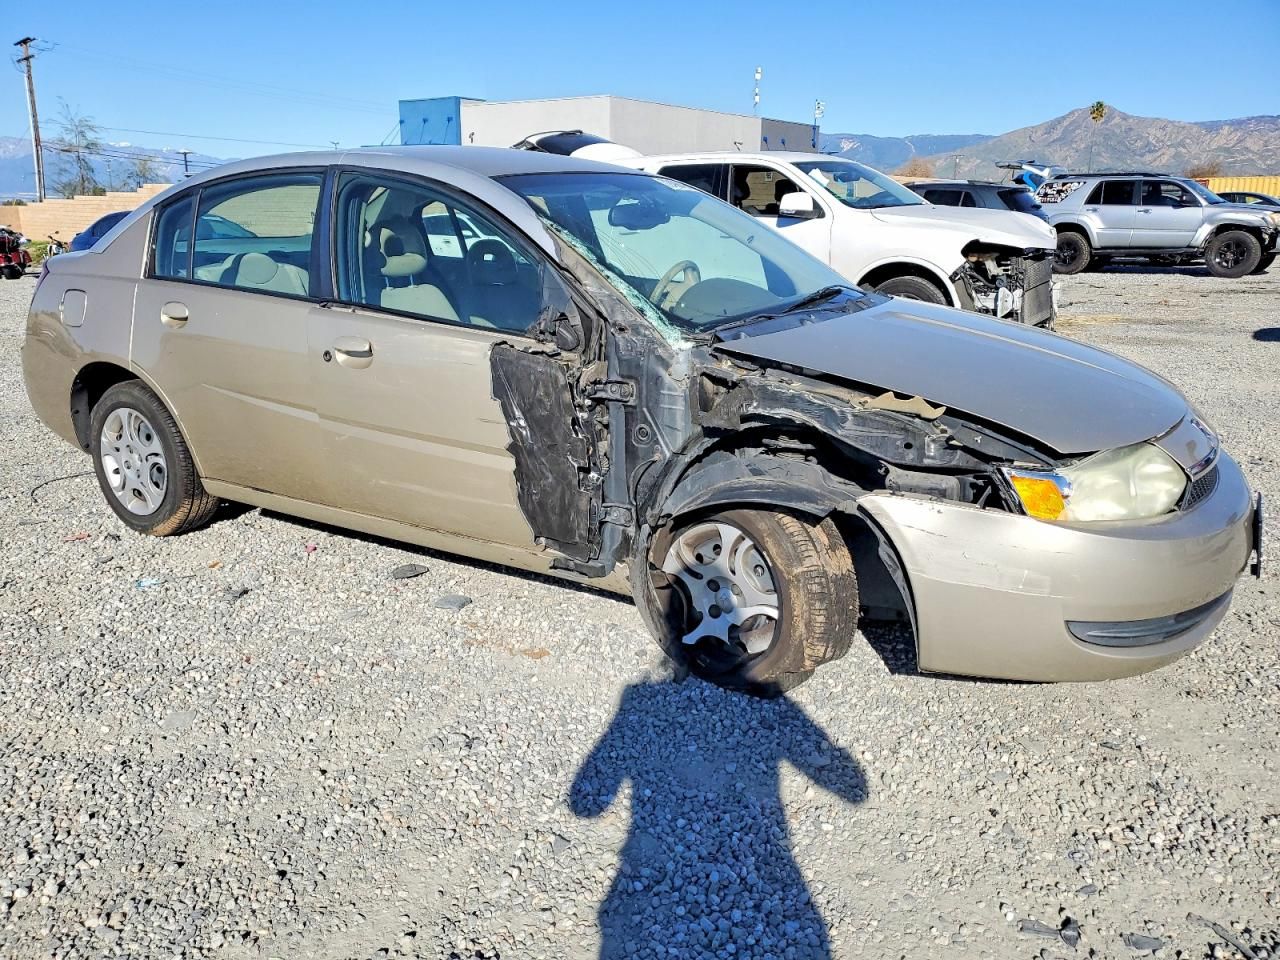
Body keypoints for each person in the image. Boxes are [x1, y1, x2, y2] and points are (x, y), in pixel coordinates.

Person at [570, 678, 867, 959]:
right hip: (772, 859)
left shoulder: (636, 698)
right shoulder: (773, 701)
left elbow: (585, 805)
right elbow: (855, 790)